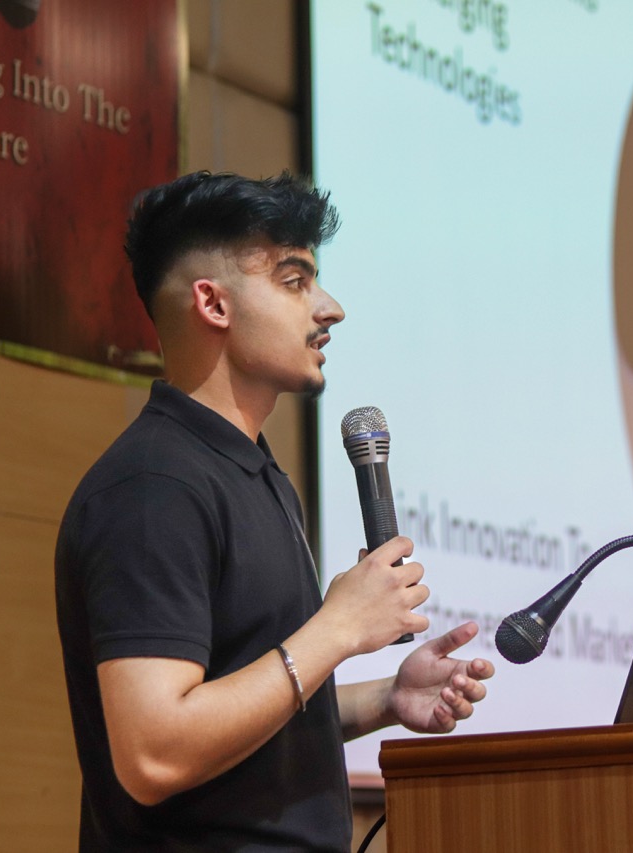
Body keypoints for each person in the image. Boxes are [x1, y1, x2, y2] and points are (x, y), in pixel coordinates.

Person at [54, 170, 494, 851]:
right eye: (295, 281)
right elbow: (154, 754)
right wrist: (338, 627)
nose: (331, 308)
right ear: (214, 304)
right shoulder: (152, 488)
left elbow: (243, 716)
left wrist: (385, 698)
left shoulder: (253, 474)